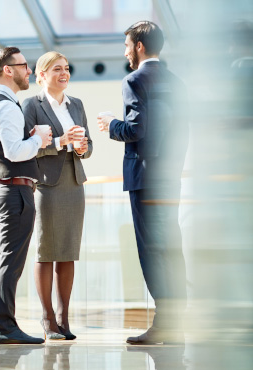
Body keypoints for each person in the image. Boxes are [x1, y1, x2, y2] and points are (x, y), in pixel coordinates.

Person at [97, 21, 189, 345]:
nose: (125, 52)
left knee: (152, 251)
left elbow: (136, 130)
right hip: (169, 178)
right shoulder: (177, 82)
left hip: (145, 179)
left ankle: (165, 323)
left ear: (138, 46)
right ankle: (175, 321)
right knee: (171, 248)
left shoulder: (134, 80)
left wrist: (111, 124)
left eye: (126, 45)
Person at [0, 46, 53, 345]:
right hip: (14, 192)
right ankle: (5, 327)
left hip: (2, 189)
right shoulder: (7, 106)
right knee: (10, 261)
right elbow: (14, 150)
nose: (29, 71)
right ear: (8, 70)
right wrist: (37, 138)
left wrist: (35, 138)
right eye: (24, 66)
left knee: (0, 260)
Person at [21, 51, 92, 341]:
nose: (64, 74)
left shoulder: (77, 105)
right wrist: (61, 143)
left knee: (68, 253)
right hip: (48, 187)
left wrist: (80, 147)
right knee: (46, 252)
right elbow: (27, 147)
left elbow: (88, 148)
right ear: (41, 76)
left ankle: (64, 318)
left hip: (74, 185)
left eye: (66, 68)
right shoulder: (32, 105)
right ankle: (48, 317)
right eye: (56, 69)